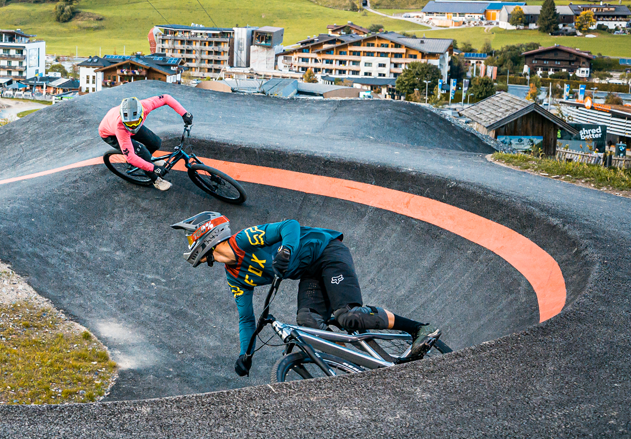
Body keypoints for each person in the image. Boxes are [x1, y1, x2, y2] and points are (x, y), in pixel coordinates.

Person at [172, 211, 442, 374]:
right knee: (309, 322)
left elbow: (290, 225)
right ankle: (355, 364)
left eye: (191, 238)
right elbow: (246, 320)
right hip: (311, 273)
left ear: (205, 236)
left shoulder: (244, 239)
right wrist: (246, 355)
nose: (190, 244)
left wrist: (286, 248)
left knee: (348, 317)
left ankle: (420, 329)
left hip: (327, 252)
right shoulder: (235, 277)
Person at [100, 94, 191, 191]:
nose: (133, 127)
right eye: (130, 124)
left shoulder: (145, 106)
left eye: (135, 123)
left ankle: (146, 159)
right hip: (111, 134)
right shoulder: (120, 126)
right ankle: (156, 180)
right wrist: (153, 168)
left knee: (155, 142)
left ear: (141, 114)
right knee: (141, 153)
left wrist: (184, 113)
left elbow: (165, 98)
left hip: (125, 122)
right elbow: (130, 157)